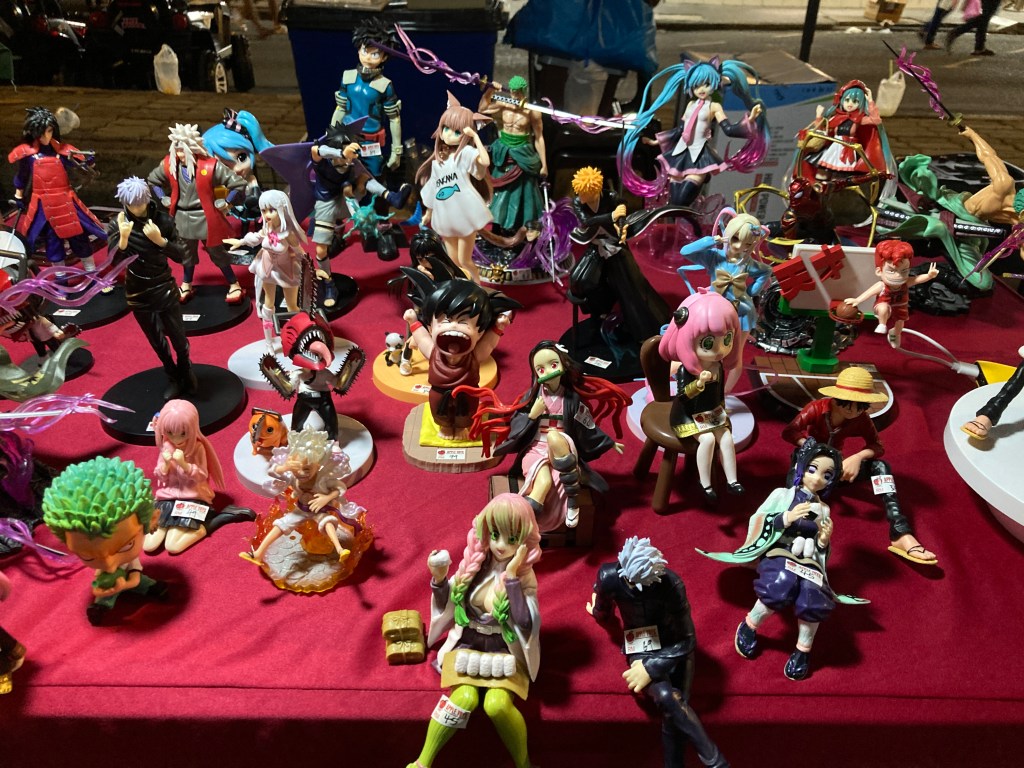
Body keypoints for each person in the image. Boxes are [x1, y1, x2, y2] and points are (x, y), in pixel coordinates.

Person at [699, 439, 865, 681]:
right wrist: (786, 517)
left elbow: (821, 549)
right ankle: (750, 624)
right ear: (801, 467)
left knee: (813, 596)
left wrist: (823, 540)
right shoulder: (782, 495)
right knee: (781, 584)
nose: (818, 479)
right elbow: (758, 519)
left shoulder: (824, 510)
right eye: (812, 469)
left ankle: (803, 649)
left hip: (809, 559)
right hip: (781, 550)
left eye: (827, 475)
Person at [407, 493, 542, 768]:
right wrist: (439, 580)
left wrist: (512, 577)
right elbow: (450, 603)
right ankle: (422, 763)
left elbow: (525, 622)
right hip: (467, 643)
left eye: (512, 538)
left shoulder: (524, 576)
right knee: (464, 698)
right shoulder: (474, 565)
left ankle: (524, 764)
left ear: (524, 540)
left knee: (497, 705)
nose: (501, 545)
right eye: (496, 534)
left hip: (504, 649)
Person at [587, 536, 728, 768]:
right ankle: (718, 763)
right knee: (667, 698)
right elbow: (603, 609)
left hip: (675, 645)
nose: (636, 590)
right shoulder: (609, 576)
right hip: (640, 643)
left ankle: (716, 762)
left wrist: (650, 668)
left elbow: (687, 641)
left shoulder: (671, 584)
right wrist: (598, 611)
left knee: (674, 708)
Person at [457, 340, 629, 530]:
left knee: (555, 437)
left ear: (563, 365)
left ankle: (573, 503)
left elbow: (586, 423)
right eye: (540, 369)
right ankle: (526, 519)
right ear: (535, 373)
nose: (547, 371)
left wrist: (607, 442)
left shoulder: (572, 399)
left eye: (553, 365)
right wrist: (532, 415)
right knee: (544, 482)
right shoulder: (532, 397)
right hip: (535, 449)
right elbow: (515, 423)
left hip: (562, 448)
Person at [781, 366, 938, 566]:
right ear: (836, 398)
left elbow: (877, 446)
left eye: (860, 406)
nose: (853, 410)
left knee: (880, 466)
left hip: (834, 471)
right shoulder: (816, 408)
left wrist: (858, 457)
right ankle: (788, 526)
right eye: (848, 404)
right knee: (797, 462)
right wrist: (810, 448)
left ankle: (900, 532)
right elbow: (790, 431)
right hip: (809, 470)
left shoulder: (860, 419)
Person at [618, 57, 766, 207]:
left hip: (700, 156)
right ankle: (683, 219)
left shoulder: (714, 107)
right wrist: (656, 141)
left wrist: (751, 119)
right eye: (696, 86)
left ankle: (694, 210)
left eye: (706, 84)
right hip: (682, 154)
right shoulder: (690, 105)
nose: (701, 89)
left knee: (683, 199)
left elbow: (728, 129)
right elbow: (680, 130)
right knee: (674, 202)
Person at [401, 258, 520, 440]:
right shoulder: (434, 352)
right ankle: (446, 427)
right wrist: (413, 322)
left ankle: (462, 427)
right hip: (439, 392)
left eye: (464, 322)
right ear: (431, 327)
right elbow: (422, 338)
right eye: (446, 320)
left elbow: (488, 344)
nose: (454, 326)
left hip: (467, 392)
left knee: (466, 413)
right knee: (440, 411)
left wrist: (498, 328)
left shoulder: (473, 355)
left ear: (479, 332)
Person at [42, 457, 170, 625]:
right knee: (105, 596)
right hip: (111, 585)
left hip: (127, 580)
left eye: (126, 545)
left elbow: (135, 579)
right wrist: (101, 590)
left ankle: (151, 588)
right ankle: (101, 606)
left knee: (143, 583)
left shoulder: (130, 562)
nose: (109, 566)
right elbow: (97, 583)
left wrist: (123, 585)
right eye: (87, 556)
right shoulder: (105, 568)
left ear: (152, 519)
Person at [109, 176, 194, 400]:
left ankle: (186, 369)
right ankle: (172, 375)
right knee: (156, 340)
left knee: (178, 336)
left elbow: (183, 255)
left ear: (147, 199)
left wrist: (161, 242)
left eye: (141, 202)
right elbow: (114, 264)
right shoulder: (118, 224)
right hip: (137, 289)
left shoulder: (163, 221)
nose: (138, 208)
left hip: (163, 284)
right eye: (132, 204)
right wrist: (123, 240)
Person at [567, 166, 671, 348]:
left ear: (595, 190)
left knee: (630, 287)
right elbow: (586, 221)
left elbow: (622, 210)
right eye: (580, 193)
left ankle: (644, 328)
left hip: (615, 246)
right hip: (596, 246)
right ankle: (601, 311)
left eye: (584, 194)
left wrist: (621, 219)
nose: (581, 197)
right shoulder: (578, 202)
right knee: (580, 280)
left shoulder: (610, 197)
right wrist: (611, 216)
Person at [147, 123, 248, 305]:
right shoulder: (170, 165)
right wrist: (162, 198)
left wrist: (227, 202)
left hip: (205, 217)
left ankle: (234, 284)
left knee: (217, 252)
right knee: (186, 253)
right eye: (177, 149)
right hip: (181, 218)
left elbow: (237, 183)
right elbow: (153, 180)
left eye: (182, 150)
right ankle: (186, 284)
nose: (179, 154)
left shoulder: (210, 166)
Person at [659, 290, 744, 502]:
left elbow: (719, 393)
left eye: (727, 340)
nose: (719, 350)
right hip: (687, 415)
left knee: (726, 437)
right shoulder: (685, 370)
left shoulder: (719, 366)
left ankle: (732, 480)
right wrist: (699, 384)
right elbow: (682, 397)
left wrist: (721, 408)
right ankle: (705, 483)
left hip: (710, 412)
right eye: (708, 343)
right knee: (707, 440)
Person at [240, 427, 364, 567]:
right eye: (296, 469)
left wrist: (326, 498)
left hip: (318, 511)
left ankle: (340, 549)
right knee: (280, 525)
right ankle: (258, 554)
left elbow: (339, 488)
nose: (301, 473)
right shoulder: (293, 478)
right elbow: (272, 472)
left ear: (317, 465)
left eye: (306, 469)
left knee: (328, 522)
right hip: (300, 510)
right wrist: (285, 467)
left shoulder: (322, 479)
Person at [679, 209, 771, 391]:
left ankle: (725, 392)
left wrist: (753, 290)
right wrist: (712, 240)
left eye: (747, 243)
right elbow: (685, 251)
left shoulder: (747, 263)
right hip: (714, 311)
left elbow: (766, 271)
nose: (739, 246)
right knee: (706, 348)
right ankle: (699, 385)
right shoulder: (715, 257)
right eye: (735, 239)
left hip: (741, 311)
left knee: (735, 355)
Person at [146, 399, 252, 555]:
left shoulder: (197, 447)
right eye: (170, 432)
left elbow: (201, 475)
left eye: (183, 433)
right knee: (149, 545)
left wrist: (184, 464)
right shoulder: (166, 447)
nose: (176, 439)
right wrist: (166, 465)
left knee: (173, 546)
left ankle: (217, 520)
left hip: (192, 497)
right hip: (167, 498)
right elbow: (160, 476)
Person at [8, 106, 105, 275]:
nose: (46, 136)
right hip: (44, 205)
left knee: (78, 236)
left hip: (66, 202)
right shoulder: (29, 156)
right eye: (42, 133)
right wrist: (18, 196)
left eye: (49, 131)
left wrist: (88, 162)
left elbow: (81, 165)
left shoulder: (62, 152)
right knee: (52, 242)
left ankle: (92, 274)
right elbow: (22, 176)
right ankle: (61, 279)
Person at [416, 92, 493, 283]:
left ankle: (478, 288)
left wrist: (475, 136)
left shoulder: (465, 153)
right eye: (446, 129)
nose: (450, 135)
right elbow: (433, 189)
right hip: (445, 214)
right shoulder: (438, 161)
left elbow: (485, 161)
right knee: (453, 261)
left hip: (464, 213)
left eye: (457, 132)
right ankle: (461, 289)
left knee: (465, 260)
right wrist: (428, 213)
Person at [225, 189, 306, 352]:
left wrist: (311, 269)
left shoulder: (287, 233)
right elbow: (257, 237)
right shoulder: (267, 228)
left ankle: (298, 340)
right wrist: (241, 242)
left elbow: (299, 252)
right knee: (268, 305)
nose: (267, 215)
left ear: (281, 209)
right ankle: (269, 342)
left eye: (271, 210)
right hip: (268, 268)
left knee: (292, 306)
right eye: (263, 210)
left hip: (286, 270)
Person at [331, 18, 402, 178]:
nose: (368, 58)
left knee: (373, 175)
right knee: (346, 176)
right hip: (347, 137)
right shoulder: (348, 78)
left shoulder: (384, 85)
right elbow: (340, 109)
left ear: (384, 57)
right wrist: (332, 138)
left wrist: (396, 150)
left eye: (375, 54)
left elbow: (394, 119)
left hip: (371, 142)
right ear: (358, 49)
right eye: (365, 51)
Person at [477, 76, 547, 236]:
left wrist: (544, 164)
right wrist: (489, 91)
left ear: (523, 91)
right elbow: (482, 109)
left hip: (523, 153)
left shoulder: (532, 111)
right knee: (500, 189)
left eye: (518, 92)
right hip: (503, 151)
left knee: (524, 189)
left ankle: (526, 225)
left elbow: (539, 138)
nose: (515, 95)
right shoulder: (504, 104)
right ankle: (498, 224)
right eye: (513, 91)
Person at [842, 240, 939, 349]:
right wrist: (857, 300)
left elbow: (917, 279)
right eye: (892, 271)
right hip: (884, 304)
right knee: (883, 308)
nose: (898, 276)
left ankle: (895, 334)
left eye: (904, 271)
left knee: (900, 325)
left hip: (900, 306)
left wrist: (929, 276)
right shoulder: (882, 286)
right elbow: (869, 293)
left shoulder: (905, 283)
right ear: (879, 271)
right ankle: (882, 324)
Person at [202, 109, 275, 234]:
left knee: (257, 221)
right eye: (225, 166)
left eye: (242, 157)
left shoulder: (251, 179)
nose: (237, 169)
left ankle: (260, 234)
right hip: (237, 206)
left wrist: (255, 195)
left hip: (252, 205)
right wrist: (227, 202)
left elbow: (255, 190)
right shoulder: (225, 184)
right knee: (243, 223)